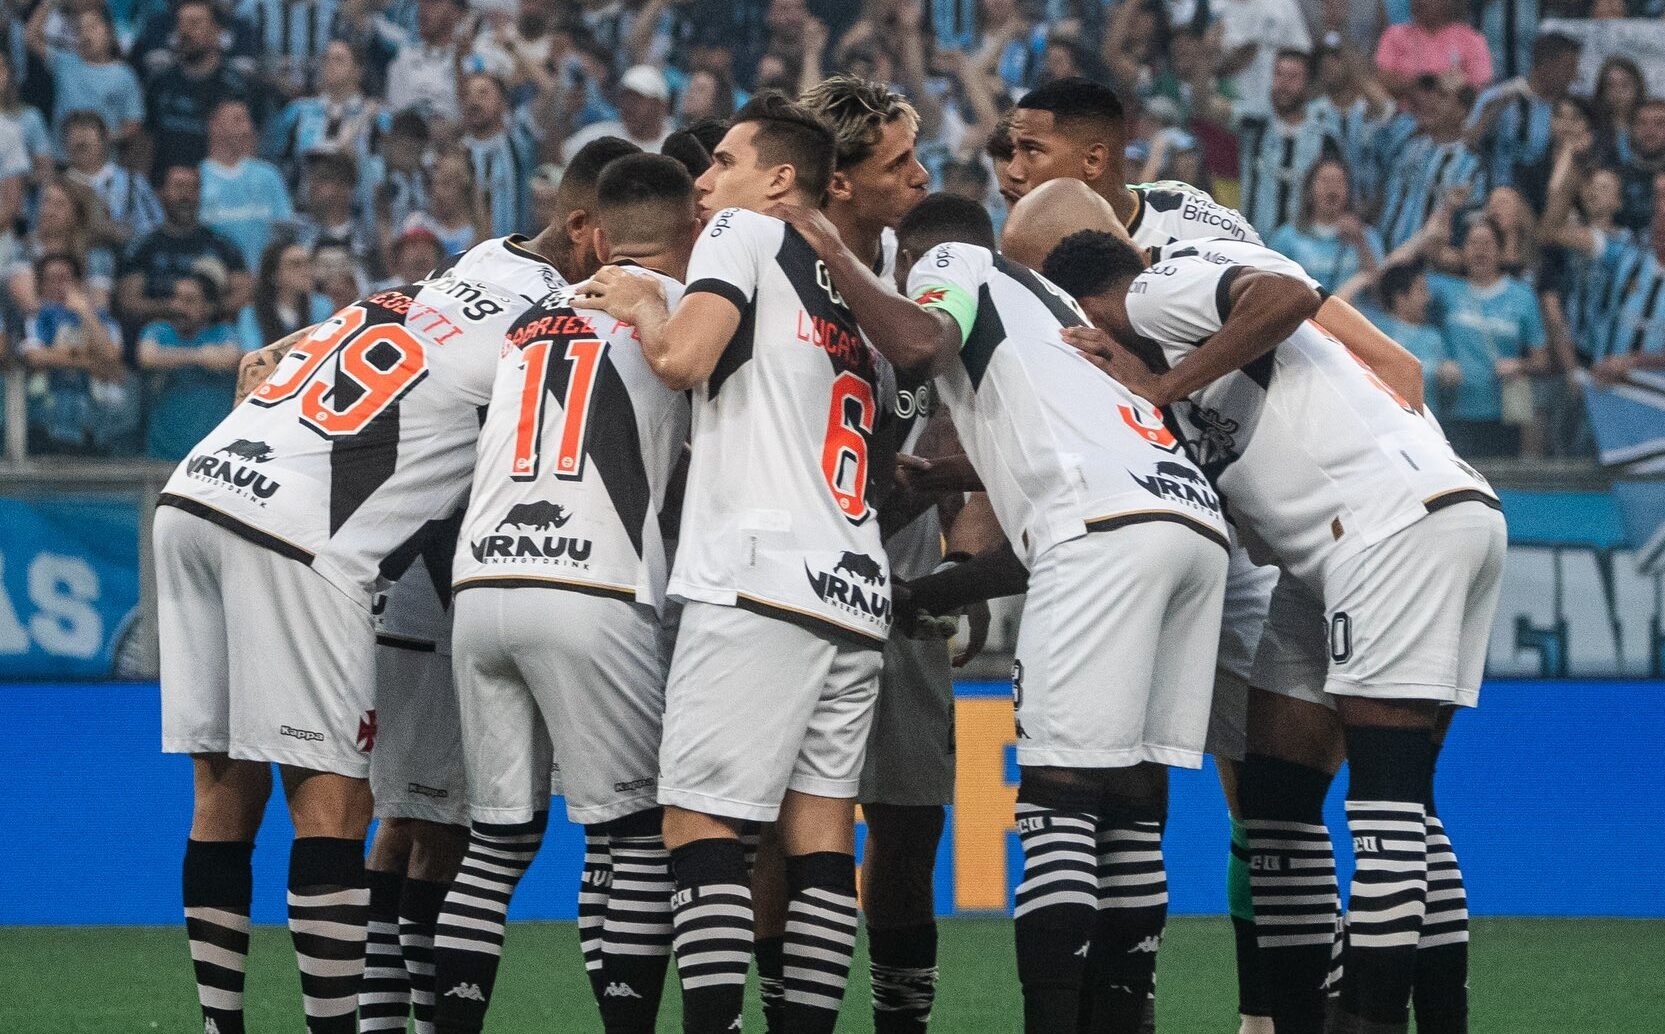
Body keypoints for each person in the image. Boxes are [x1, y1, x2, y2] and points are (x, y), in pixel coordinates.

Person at [781, 185, 1229, 1034]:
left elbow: (917, 345)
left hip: (1105, 531)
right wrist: (930, 588)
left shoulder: (951, 264)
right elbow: (1041, 516)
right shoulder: (1053, 316)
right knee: (1130, 808)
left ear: (916, 259)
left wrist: (837, 256)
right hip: (1186, 525)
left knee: (1057, 806)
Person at [1044, 223, 1503, 1034]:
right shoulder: (1165, 374)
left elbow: (1285, 297)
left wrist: (1161, 384)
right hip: (1342, 552)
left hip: (1384, 526)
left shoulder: (1155, 291)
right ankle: (1305, 1018)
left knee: (1386, 803)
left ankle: (1368, 1019)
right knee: (1275, 795)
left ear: (1083, 303)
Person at [573, 92, 881, 1034]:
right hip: (854, 586)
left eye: (724, 163)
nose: (701, 183)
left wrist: (637, 302)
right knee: (821, 842)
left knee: (700, 824)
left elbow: (683, 360)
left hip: (757, 575)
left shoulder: (741, 234)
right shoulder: (850, 281)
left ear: (778, 179)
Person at [153, 260, 528, 1034]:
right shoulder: (526, 321)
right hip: (300, 535)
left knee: (223, 794)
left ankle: (220, 1026)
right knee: (337, 804)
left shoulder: (406, 296)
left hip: (195, 489)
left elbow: (269, 360)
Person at [430, 151, 700, 1034]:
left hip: (481, 585)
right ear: (690, 229)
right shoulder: (676, 318)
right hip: (588, 580)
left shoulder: (532, 315)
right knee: (631, 837)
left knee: (496, 843)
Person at [798, 73, 956, 1034]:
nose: (921, 174)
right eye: (899, 161)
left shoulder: (922, 267)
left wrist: (956, 568)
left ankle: (903, 1022)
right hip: (790, 587)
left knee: (904, 831)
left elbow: (953, 409)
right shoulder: (768, 266)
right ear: (842, 182)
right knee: (782, 833)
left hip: (898, 583)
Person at [357, 516, 471, 1034]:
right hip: (436, 591)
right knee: (440, 829)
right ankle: (432, 1024)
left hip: (396, 584)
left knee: (401, 821)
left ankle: (381, 1025)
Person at [1425, 216, 1547, 457]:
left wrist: (1519, 365)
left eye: (1487, 244)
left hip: (1505, 415)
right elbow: (1394, 274)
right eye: (1472, 243)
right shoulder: (1444, 290)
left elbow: (1542, 361)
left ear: (1501, 251)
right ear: (1461, 251)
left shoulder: (1522, 296)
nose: (1480, 250)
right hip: (1454, 412)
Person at [19, 252, 140, 456]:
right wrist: (89, 361)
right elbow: (35, 357)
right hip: (45, 420)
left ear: (78, 282)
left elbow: (111, 357)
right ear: (41, 285)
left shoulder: (101, 319)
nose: (59, 285)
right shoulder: (36, 318)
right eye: (52, 279)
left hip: (93, 422)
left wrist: (84, 312)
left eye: (65, 278)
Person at [117, 164, 251, 334]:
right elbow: (129, 301)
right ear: (161, 193)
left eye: (193, 188)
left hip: (216, 341)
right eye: (179, 187)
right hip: (155, 343)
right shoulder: (142, 247)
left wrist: (206, 309)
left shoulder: (222, 244)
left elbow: (244, 293)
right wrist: (174, 308)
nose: (186, 195)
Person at [136, 271, 245, 460]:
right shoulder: (159, 330)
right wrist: (200, 356)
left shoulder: (222, 332)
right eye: (176, 298)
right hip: (163, 453)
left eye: (189, 300)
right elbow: (148, 357)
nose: (178, 306)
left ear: (209, 307)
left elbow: (230, 358)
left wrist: (173, 357)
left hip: (213, 455)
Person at [1235, 50, 1344, 236]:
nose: (1284, 84)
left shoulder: (1325, 137)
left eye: (1293, 77)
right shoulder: (1254, 125)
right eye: (1278, 75)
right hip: (1251, 243)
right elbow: (1205, 108)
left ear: (1309, 86)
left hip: (1302, 248)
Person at [1465, 32, 1581, 201]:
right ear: (1546, 65)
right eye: (1569, 68)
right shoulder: (1497, 98)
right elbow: (1469, 144)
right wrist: (1496, 110)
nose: (1574, 76)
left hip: (1545, 198)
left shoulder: (1568, 110)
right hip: (1497, 195)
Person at [142, 0, 252, 176]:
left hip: (215, 186)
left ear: (217, 33)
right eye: (181, 23)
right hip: (167, 188)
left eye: (195, 23)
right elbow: (146, 141)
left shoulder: (236, 87)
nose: (185, 31)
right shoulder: (160, 83)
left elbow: (247, 148)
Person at [1379, 75, 1486, 250]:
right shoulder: (1406, 144)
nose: (1432, 101)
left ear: (1462, 111)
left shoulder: (1472, 166)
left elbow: (1470, 223)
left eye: (1443, 96)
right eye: (1432, 93)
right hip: (1381, 256)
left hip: (1427, 267)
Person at [24, 3, 143, 151]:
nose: (86, 35)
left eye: (93, 28)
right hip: (63, 160)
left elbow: (134, 124)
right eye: (80, 30)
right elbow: (31, 37)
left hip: (103, 163)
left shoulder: (124, 75)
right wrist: (50, 2)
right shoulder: (64, 63)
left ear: (109, 31)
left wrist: (101, 138)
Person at [264, 40, 380, 184]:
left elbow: (383, 172)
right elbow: (272, 159)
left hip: (356, 199)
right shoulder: (297, 111)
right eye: (326, 58)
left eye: (339, 60)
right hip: (305, 200)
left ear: (358, 71)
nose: (330, 65)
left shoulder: (377, 117)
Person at [199, 99, 297, 270]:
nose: (247, 128)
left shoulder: (269, 175)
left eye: (247, 121)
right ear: (215, 126)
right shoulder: (199, 177)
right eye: (238, 120)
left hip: (263, 282)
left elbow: (284, 232)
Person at [1268, 158, 1385, 296]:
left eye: (1339, 181)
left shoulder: (1367, 236)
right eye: (1324, 181)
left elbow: (1381, 289)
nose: (1332, 187)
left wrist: (1360, 243)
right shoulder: (1287, 237)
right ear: (1310, 188)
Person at [62, 111, 164, 248]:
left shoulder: (132, 183)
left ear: (104, 141)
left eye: (87, 143)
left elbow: (155, 231)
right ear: (65, 144)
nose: (81, 139)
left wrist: (124, 234)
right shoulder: (56, 186)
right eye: (78, 145)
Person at [458, 72, 541, 238]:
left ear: (503, 102)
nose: (474, 101)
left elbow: (549, 93)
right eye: (468, 94)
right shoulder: (457, 153)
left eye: (483, 93)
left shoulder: (520, 146)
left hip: (518, 247)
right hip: (473, 254)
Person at [1373, 0, 1492, 95]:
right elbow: (1381, 81)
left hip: (1454, 120)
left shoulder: (1472, 40)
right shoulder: (1394, 35)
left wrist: (1463, 87)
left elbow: (1482, 90)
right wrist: (1425, 83)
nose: (1421, 2)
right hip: (1401, 119)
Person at [561, 64, 673, 161]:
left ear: (661, 106)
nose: (628, 106)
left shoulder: (674, 149)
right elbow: (559, 159)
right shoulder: (600, 137)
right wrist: (565, 115)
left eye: (636, 100)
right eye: (625, 98)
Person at [239, 239, 333, 351]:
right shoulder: (251, 313)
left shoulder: (324, 307)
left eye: (308, 263)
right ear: (274, 275)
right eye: (295, 265)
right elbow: (254, 355)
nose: (306, 271)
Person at [385, 0, 467, 121]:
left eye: (432, 3)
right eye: (421, 3)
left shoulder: (471, 58)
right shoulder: (404, 57)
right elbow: (395, 112)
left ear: (456, 12)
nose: (423, 9)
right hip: (411, 134)